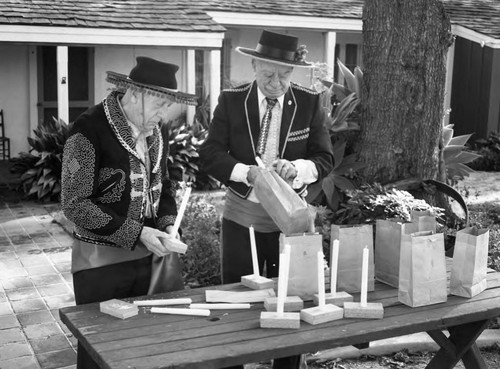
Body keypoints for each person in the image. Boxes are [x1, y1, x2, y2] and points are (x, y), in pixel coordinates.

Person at [199, 30, 334, 369]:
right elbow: (211, 154)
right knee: (237, 303)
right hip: (241, 219)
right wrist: (248, 173)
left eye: (285, 75)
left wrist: (298, 169)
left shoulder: (308, 102)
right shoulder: (231, 101)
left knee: (291, 304)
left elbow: (324, 158)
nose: (276, 83)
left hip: (292, 225)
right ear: (255, 64)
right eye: (268, 74)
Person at [61, 56, 197, 369]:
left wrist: (167, 226)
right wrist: (137, 233)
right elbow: (75, 205)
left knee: (147, 349)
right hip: (99, 264)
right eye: (160, 105)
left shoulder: (156, 133)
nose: (163, 116)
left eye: (168, 107)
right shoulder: (87, 130)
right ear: (134, 93)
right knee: (100, 351)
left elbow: (162, 187)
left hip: (148, 260)